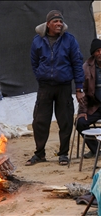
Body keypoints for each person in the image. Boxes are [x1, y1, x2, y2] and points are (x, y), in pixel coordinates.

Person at [26, 10, 85, 166]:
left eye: (60, 21)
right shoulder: (38, 41)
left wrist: (79, 88)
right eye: (55, 21)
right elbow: (34, 63)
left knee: (65, 120)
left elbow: (77, 64)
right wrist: (40, 74)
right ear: (48, 24)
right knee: (40, 121)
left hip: (64, 86)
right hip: (45, 87)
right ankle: (39, 154)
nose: (59, 24)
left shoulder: (69, 40)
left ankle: (63, 154)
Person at [76, 38, 101, 158]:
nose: (100, 53)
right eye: (97, 51)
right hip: (95, 107)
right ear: (93, 53)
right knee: (80, 122)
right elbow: (83, 92)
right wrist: (82, 111)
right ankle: (96, 150)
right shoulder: (86, 67)